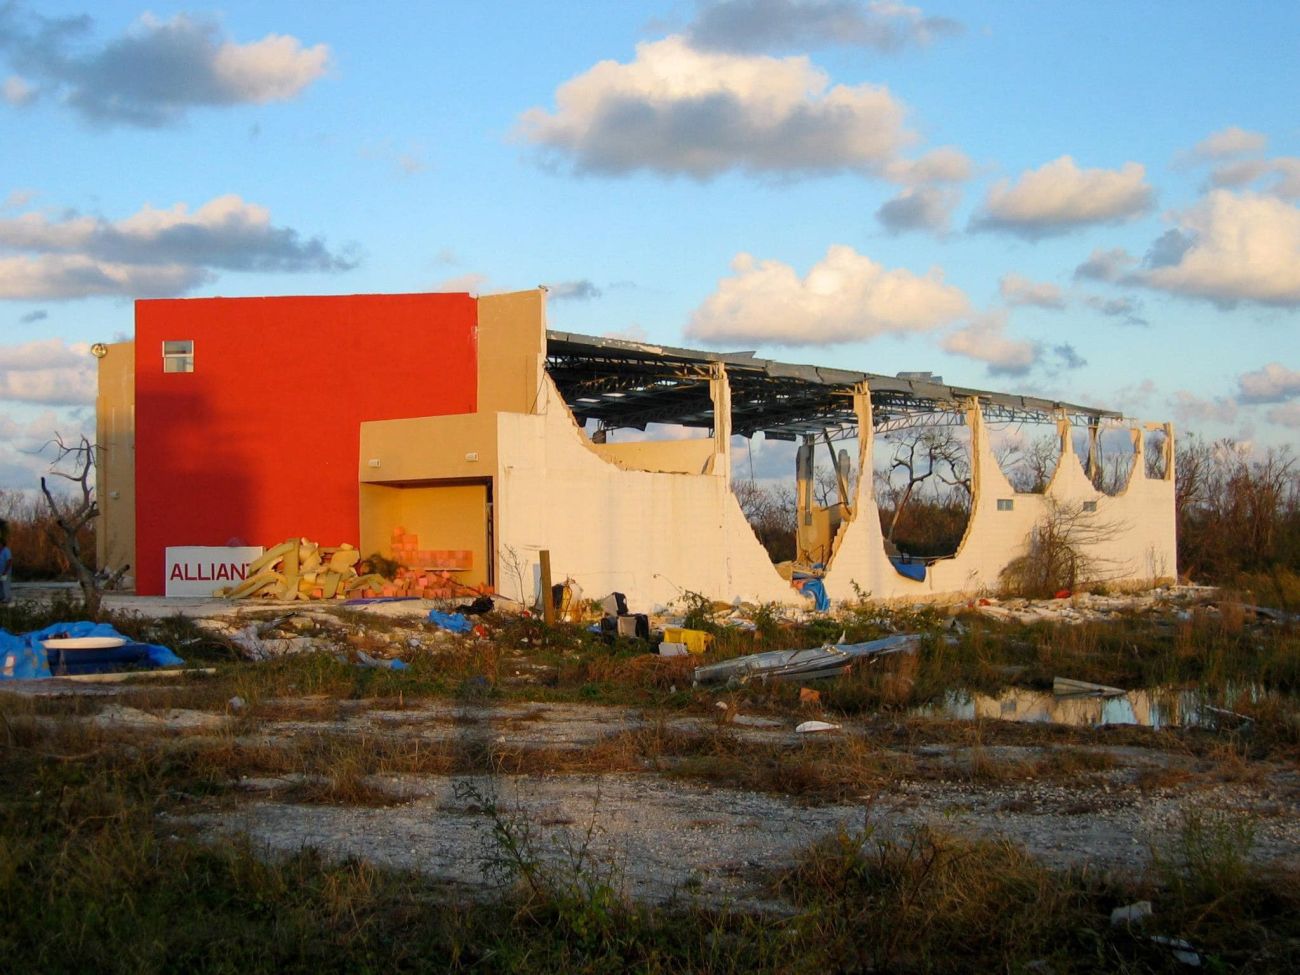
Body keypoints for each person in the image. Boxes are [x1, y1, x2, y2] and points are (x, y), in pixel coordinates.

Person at [0, 518, 10, 604]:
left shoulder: (6, 550)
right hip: (1, 571)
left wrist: (5, 571)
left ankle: (7, 598)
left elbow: (9, 561)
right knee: (1, 584)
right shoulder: (1, 551)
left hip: (5, 572)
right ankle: (2, 597)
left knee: (5, 584)